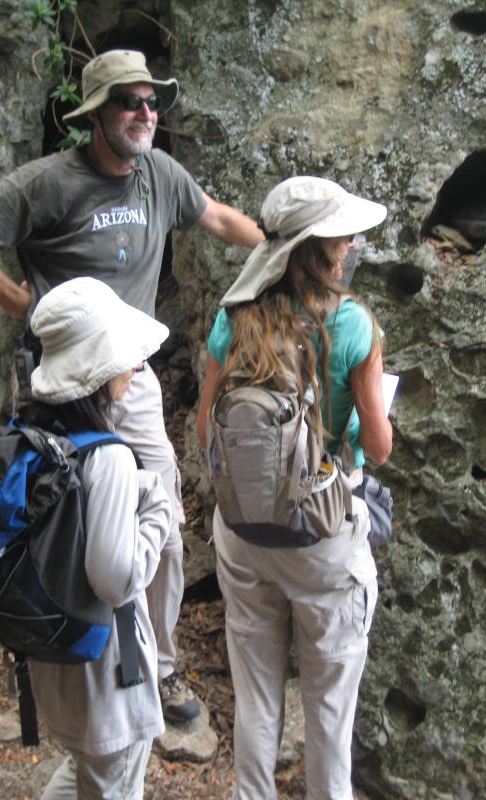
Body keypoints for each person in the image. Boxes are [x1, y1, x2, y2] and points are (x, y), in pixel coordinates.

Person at [0, 48, 264, 721]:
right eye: (129, 102)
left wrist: (280, 248)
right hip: (59, 391)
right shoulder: (49, 183)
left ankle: (158, 668)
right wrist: (20, 303)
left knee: (162, 524)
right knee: (60, 525)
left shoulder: (159, 175)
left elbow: (219, 219)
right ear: (96, 115)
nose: (145, 113)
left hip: (132, 384)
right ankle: (54, 647)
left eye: (151, 102)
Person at [196, 176, 393, 800]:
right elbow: (379, 447)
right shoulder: (353, 325)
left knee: (255, 701)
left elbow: (204, 431)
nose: (351, 244)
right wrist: (353, 430)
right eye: (343, 236)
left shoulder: (233, 319)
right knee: (329, 713)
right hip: (321, 538)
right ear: (319, 249)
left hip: (243, 534)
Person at [18, 276, 171, 800]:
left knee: (86, 770)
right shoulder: (107, 457)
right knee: (112, 778)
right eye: (125, 356)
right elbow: (115, 580)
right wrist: (158, 512)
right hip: (105, 677)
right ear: (98, 370)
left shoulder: (34, 434)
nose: (137, 365)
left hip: (52, 657)